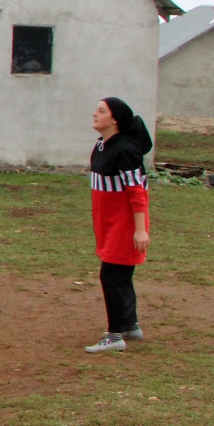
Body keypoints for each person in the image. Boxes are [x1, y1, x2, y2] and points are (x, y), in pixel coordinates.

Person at [84, 97, 153, 353]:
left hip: (124, 226)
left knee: (111, 276)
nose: (94, 114)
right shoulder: (103, 145)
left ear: (115, 119)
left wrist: (140, 229)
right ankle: (129, 325)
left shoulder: (125, 150)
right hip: (108, 223)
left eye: (100, 111)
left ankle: (115, 336)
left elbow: (137, 191)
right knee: (120, 275)